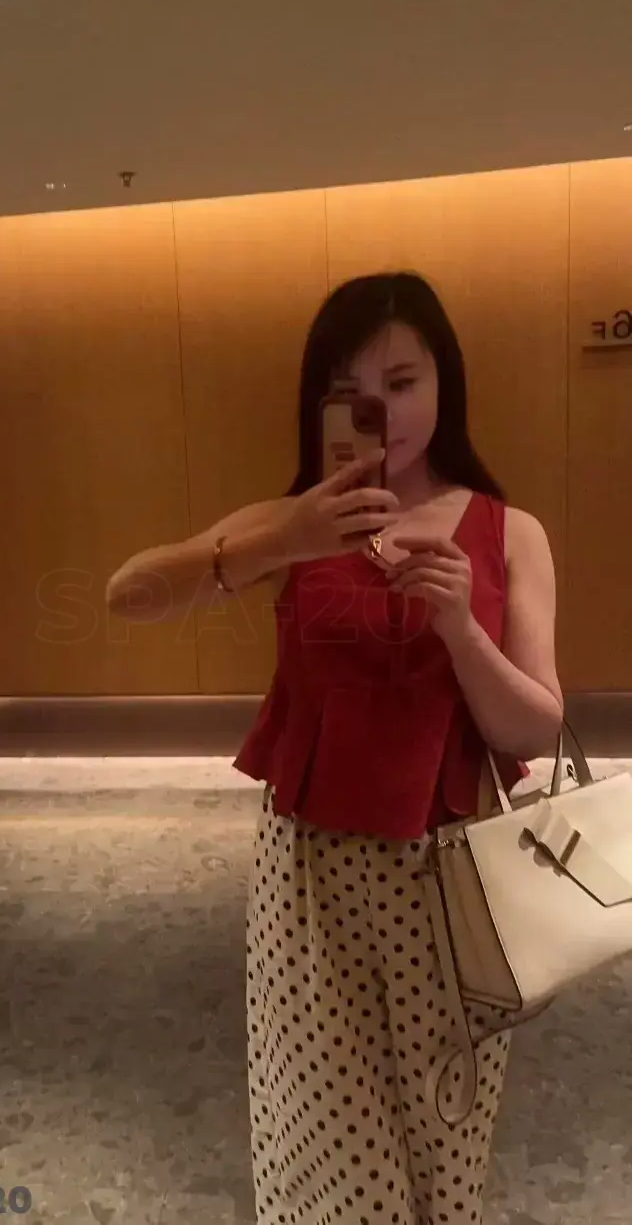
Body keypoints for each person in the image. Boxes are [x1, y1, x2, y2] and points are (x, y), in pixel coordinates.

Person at [106, 272, 563, 1225]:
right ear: (321, 406)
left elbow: (533, 727)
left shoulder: (509, 532)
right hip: (313, 888)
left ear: (444, 383)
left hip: (456, 891)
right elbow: (129, 594)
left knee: (443, 1151)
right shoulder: (289, 524)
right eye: (352, 392)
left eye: (402, 382)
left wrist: (458, 628)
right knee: (328, 1151)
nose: (382, 413)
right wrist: (281, 539)